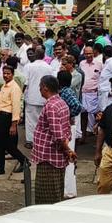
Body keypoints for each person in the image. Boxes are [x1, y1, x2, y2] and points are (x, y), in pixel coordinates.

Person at [31, 75, 74, 204]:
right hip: (55, 156)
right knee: (57, 190)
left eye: (40, 87)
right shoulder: (61, 103)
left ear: (45, 88)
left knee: (47, 195)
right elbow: (66, 130)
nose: (39, 89)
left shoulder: (51, 106)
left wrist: (68, 150)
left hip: (49, 157)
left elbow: (58, 135)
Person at [0, 65, 27, 176]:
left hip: (7, 117)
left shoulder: (14, 88)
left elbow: (16, 107)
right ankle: (23, 161)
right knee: (6, 145)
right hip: (1, 116)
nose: (5, 75)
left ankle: (1, 168)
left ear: (12, 75)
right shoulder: (5, 86)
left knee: (2, 145)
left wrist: (13, 125)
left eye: (8, 73)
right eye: (4, 73)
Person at [22, 49, 54, 150]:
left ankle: (30, 141)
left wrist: (21, 95)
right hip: (45, 97)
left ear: (35, 55)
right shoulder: (49, 67)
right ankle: (42, 140)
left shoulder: (28, 66)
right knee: (43, 121)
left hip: (31, 97)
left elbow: (25, 82)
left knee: (31, 121)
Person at [77, 45, 102, 139]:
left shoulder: (99, 64)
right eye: (86, 53)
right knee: (83, 114)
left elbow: (101, 78)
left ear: (93, 53)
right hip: (83, 92)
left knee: (96, 114)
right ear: (84, 54)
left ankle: (97, 134)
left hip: (94, 93)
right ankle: (83, 135)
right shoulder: (81, 63)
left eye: (90, 53)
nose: (88, 55)